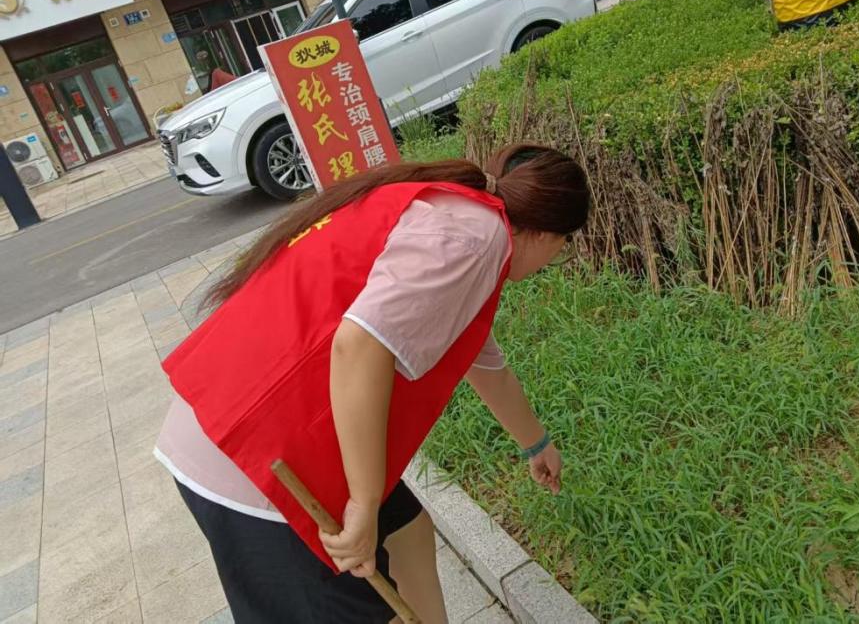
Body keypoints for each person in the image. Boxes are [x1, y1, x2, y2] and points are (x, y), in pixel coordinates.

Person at [153, 143, 590, 623]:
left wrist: (535, 444)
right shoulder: (474, 240)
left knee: (407, 533)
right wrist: (362, 504)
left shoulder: (456, 208)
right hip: (254, 462)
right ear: (548, 234)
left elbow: (484, 365)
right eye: (562, 251)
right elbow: (360, 345)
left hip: (236, 414)